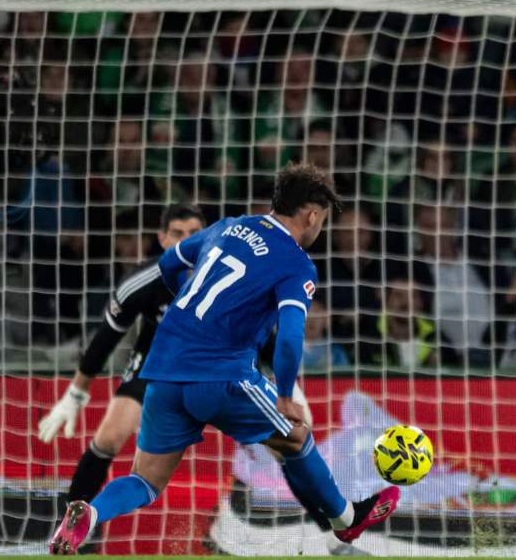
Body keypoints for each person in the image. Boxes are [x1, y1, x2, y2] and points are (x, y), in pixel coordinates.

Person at [48, 163, 399, 555]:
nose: (320, 230)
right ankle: (347, 521)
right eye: (323, 220)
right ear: (311, 214)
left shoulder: (227, 227)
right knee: (297, 437)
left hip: (163, 372)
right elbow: (290, 339)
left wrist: (198, 305)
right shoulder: (297, 263)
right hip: (222, 374)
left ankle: (90, 513)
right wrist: (285, 394)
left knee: (145, 481)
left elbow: (168, 265)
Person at [38, 205, 205, 506]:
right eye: (177, 234)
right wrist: (76, 394)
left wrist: (289, 389)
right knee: (108, 438)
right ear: (162, 239)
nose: (186, 241)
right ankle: (70, 528)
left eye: (194, 234)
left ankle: (312, 523)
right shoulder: (142, 282)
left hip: (215, 365)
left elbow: (258, 327)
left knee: (274, 437)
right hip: (156, 360)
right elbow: (105, 339)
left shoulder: (228, 273)